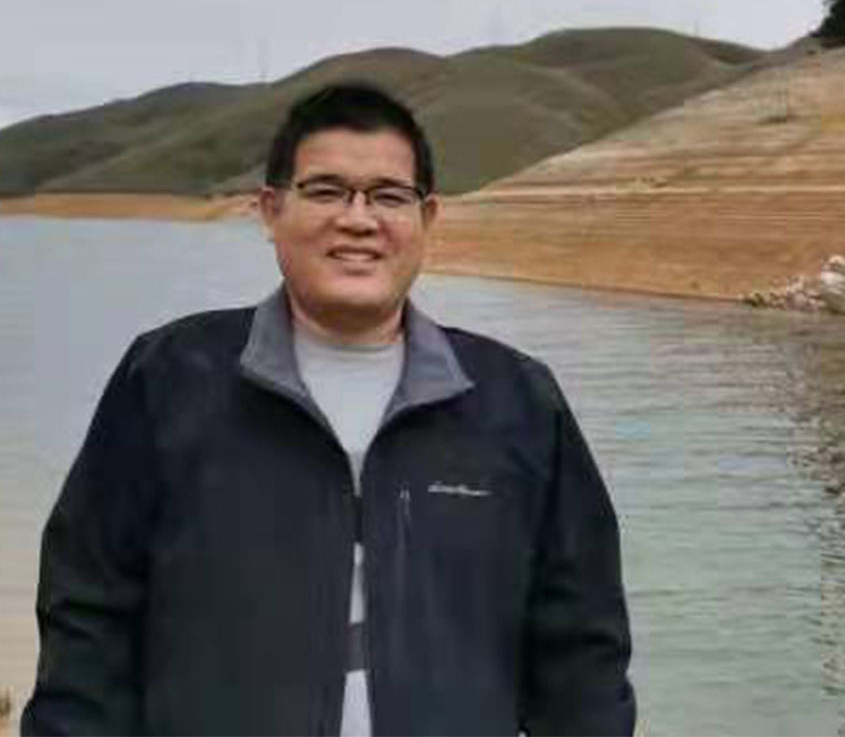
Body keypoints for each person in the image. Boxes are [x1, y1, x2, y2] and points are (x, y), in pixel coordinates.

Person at [23, 82, 636, 736]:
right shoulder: (169, 379)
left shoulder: (516, 402)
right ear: (270, 210)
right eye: (326, 191)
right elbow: (88, 618)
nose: (358, 219)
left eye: (389, 196)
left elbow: (582, 652)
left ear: (427, 217)